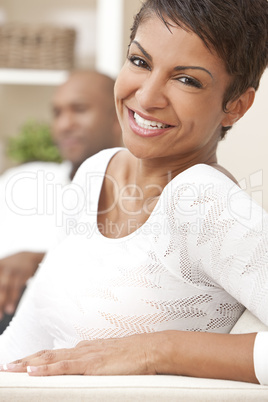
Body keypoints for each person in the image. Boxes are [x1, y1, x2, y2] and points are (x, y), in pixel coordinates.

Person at [0, 0, 267, 385]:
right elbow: (24, 341)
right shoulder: (98, 171)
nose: (146, 97)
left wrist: (157, 350)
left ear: (235, 106)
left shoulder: (204, 201)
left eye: (186, 79)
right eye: (140, 62)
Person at [0, 70, 122, 332]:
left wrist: (40, 262)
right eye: (57, 113)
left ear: (118, 116)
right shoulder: (21, 180)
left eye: (79, 109)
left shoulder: (137, 193)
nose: (64, 124)